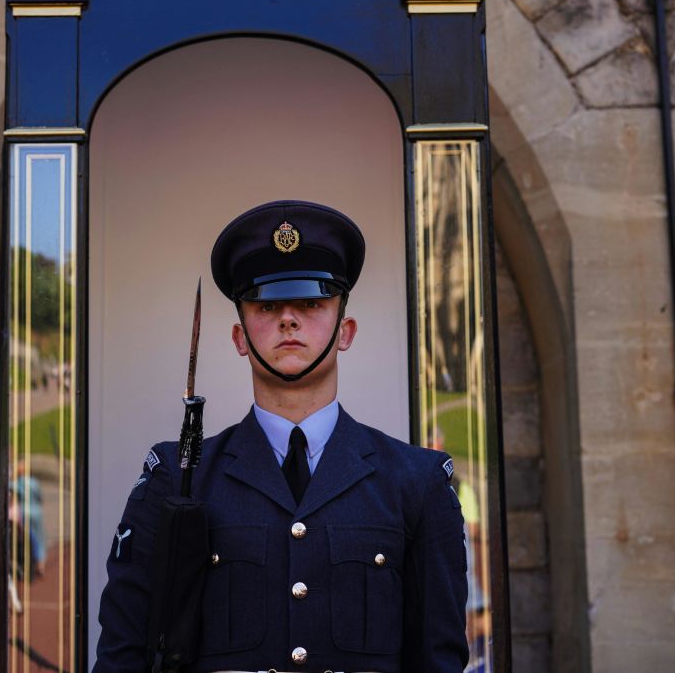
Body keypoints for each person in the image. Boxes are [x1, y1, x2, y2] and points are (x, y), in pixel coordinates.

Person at [95, 200, 469, 672]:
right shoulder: (178, 478)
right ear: (238, 337)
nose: (288, 319)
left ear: (345, 331)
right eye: (267, 305)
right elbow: (121, 655)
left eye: (312, 303)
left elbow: (439, 660)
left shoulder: (415, 484)